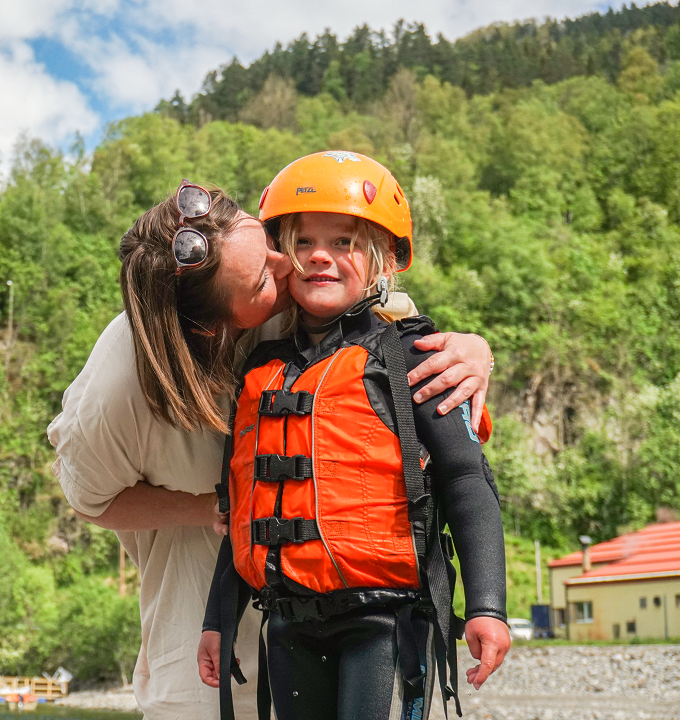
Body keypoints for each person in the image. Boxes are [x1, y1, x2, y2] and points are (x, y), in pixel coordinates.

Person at [47, 176, 495, 720]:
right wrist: (212, 510)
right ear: (220, 327)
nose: (293, 266)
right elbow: (90, 499)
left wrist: (475, 351)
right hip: (205, 653)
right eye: (266, 273)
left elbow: (389, 310)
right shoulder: (117, 388)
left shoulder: (310, 290)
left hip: (367, 618)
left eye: (270, 245)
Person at [196, 152, 508, 720]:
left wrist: (488, 606)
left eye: (344, 242)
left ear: (384, 259)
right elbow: (247, 504)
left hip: (385, 625)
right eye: (305, 241)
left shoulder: (419, 358)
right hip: (288, 623)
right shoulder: (259, 370)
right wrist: (219, 618)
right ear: (281, 254)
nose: (321, 255)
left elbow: (467, 481)